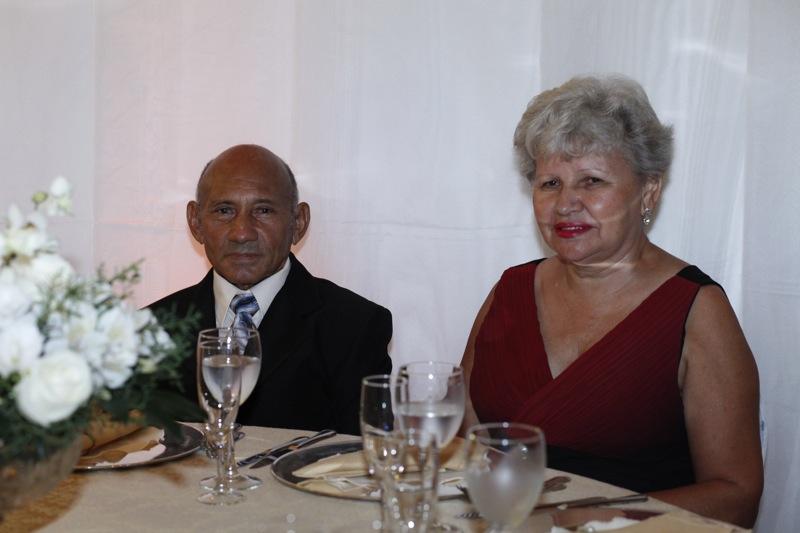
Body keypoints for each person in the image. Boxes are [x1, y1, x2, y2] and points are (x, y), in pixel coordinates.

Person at [461, 75, 762, 527]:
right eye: (550, 183)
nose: (566, 203)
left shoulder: (695, 310)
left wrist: (589, 517)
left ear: (649, 190)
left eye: (592, 181)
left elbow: (737, 496)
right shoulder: (510, 289)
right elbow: (461, 441)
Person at [149, 144, 392, 435]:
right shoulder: (149, 329)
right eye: (224, 211)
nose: (242, 232)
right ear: (195, 222)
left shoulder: (355, 327)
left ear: (298, 222)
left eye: (263, 211)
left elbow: (363, 454)